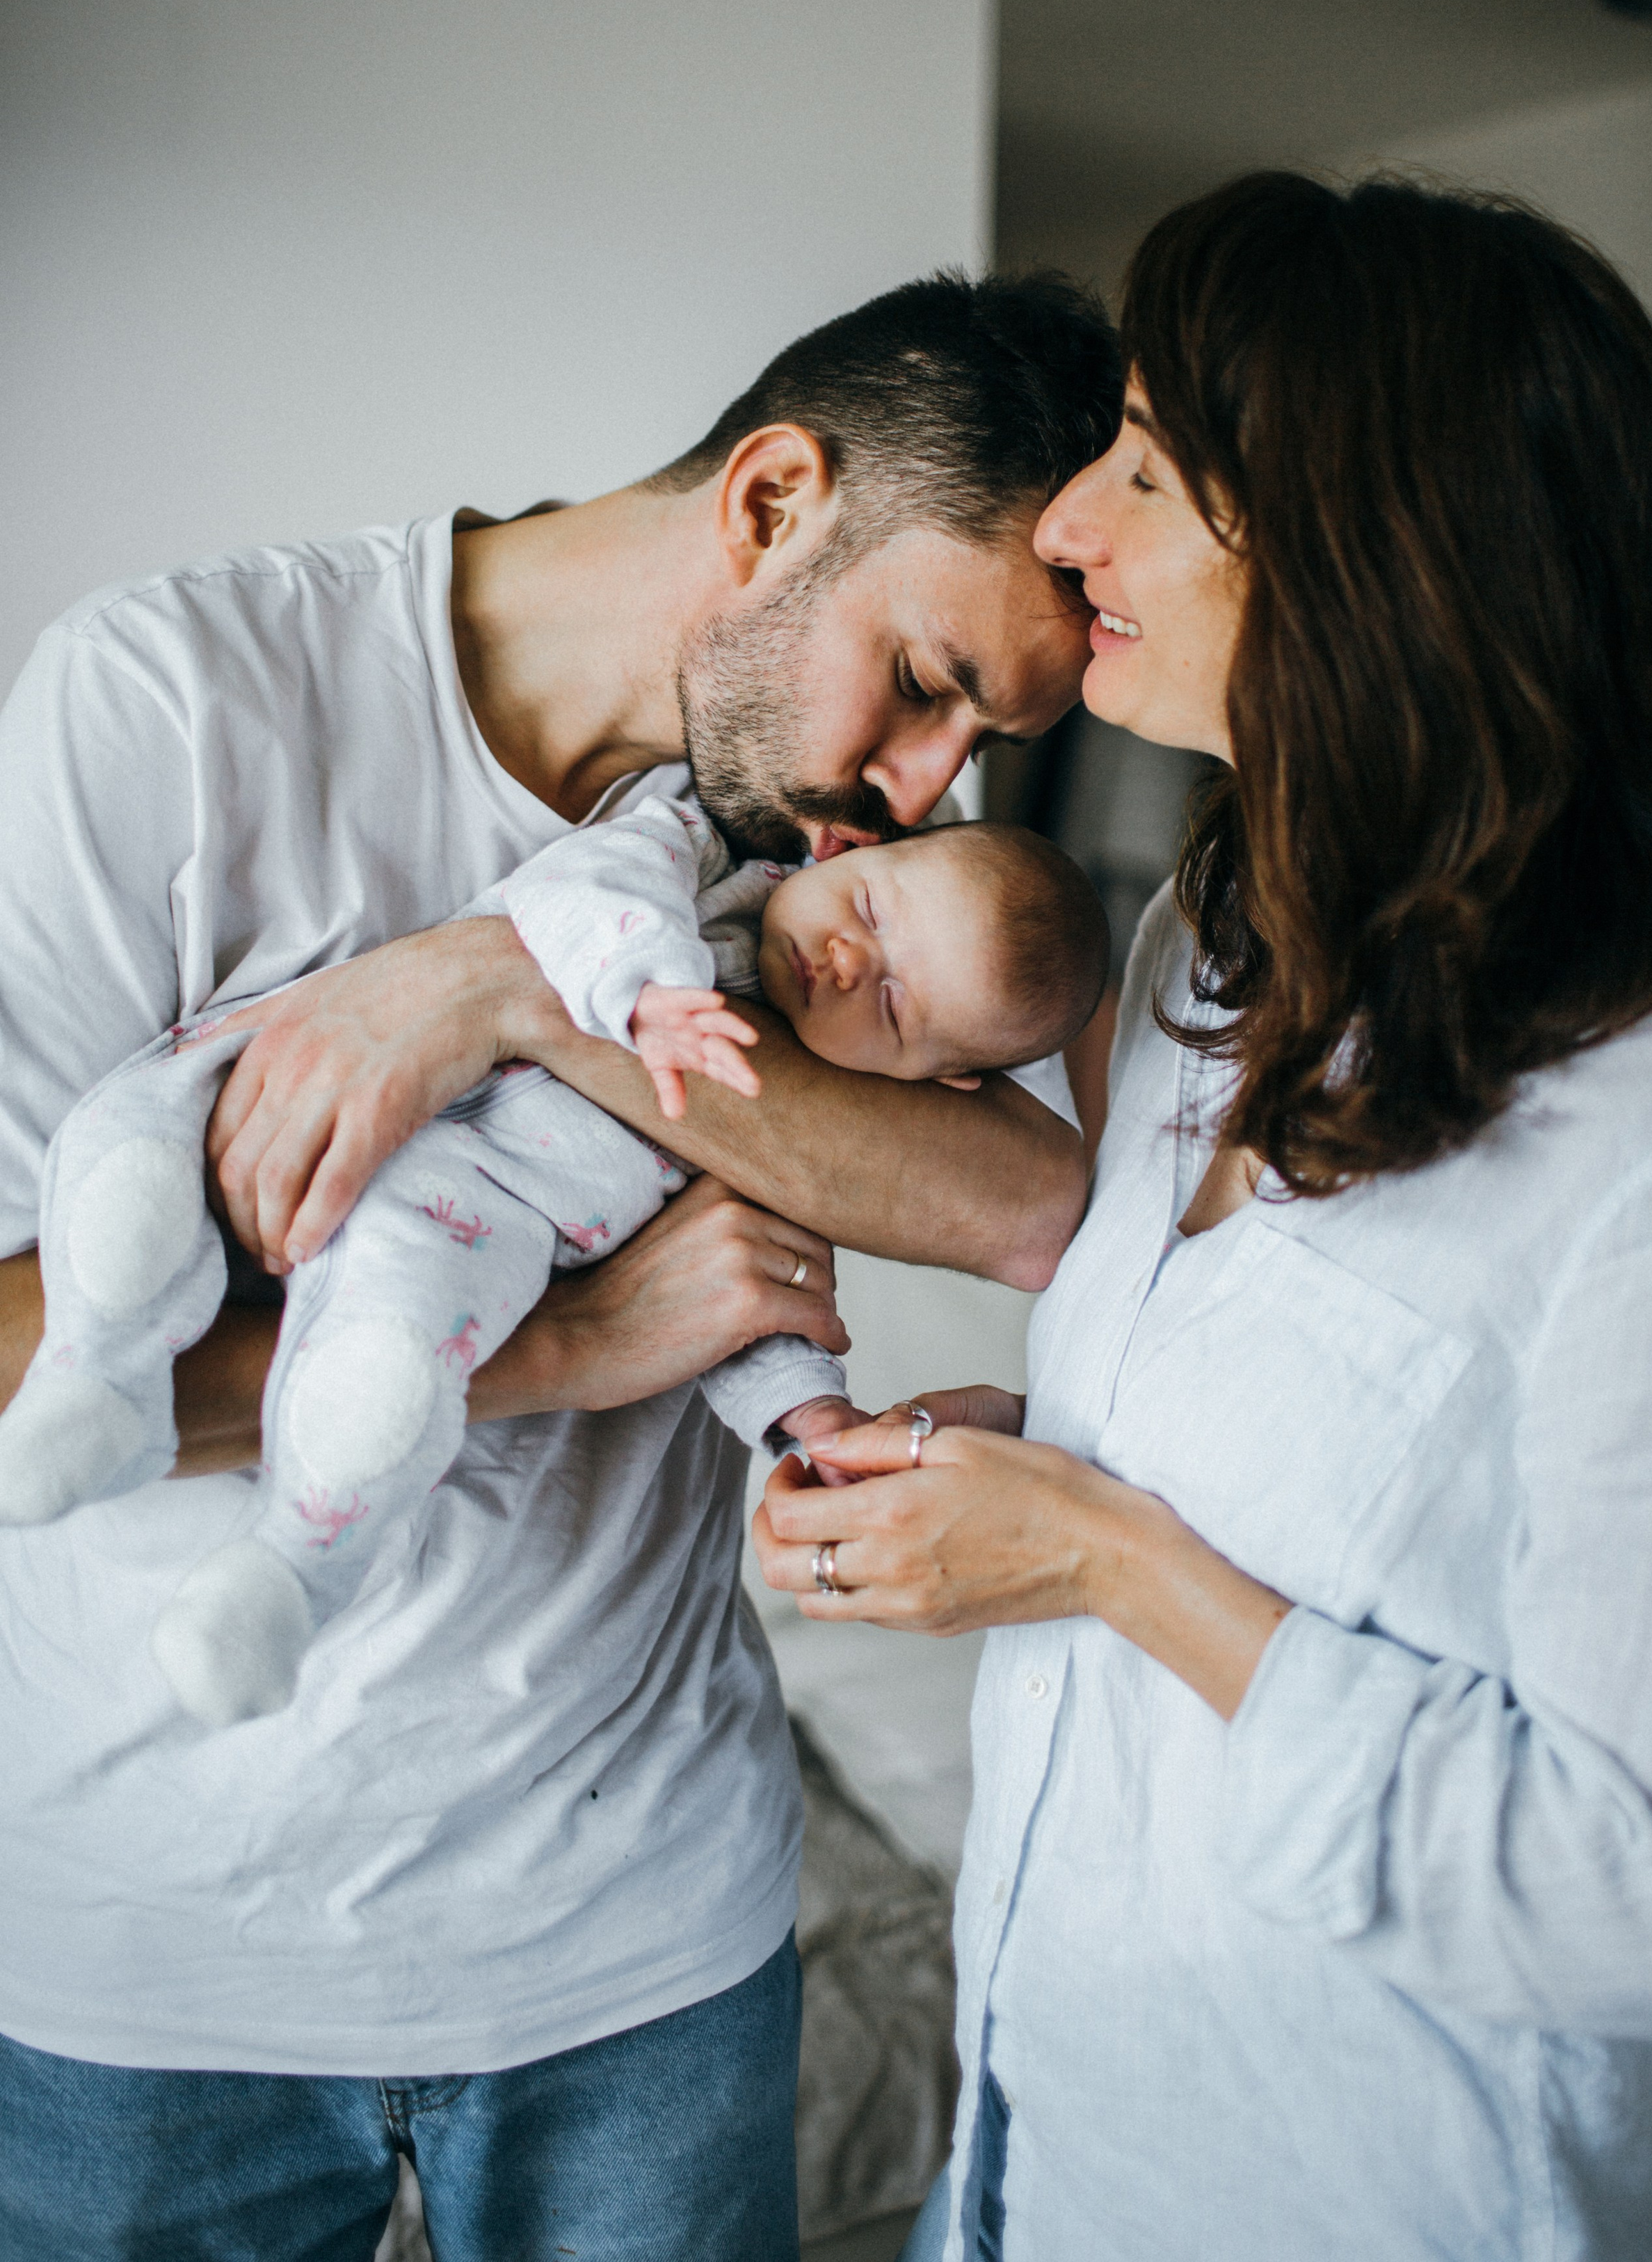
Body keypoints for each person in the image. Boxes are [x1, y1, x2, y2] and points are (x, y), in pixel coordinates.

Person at [0, 269, 1120, 2261]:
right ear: (774, 501)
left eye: (986, 742)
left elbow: (1034, 1204)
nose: (932, 786)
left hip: (639, 1960)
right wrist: (572, 1342)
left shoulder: (812, 870)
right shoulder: (168, 703)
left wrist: (500, 991)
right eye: (932, 679)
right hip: (149, 1960)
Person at [755, 176, 1652, 2261]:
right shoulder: (1203, 964)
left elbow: (1641, 1904)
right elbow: (1281, 1491)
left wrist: (1102, 1552)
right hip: (1047, 2164)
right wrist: (1023, 1467)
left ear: (1371, 555)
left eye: (1147, 469)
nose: (1065, 525)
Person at [6, 811, 1104, 1728]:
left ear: (936, 1082)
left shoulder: (784, 1134)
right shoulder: (707, 864)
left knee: (394, 1360)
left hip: (465, 1212)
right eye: (868, 908)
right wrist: (635, 992)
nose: (848, 962)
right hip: (279, 1079)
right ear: (844, 849)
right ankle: (92, 1374)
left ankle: (293, 1570)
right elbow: (595, 879)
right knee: (136, 1152)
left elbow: (758, 1300)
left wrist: (811, 1425)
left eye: (898, 1007)